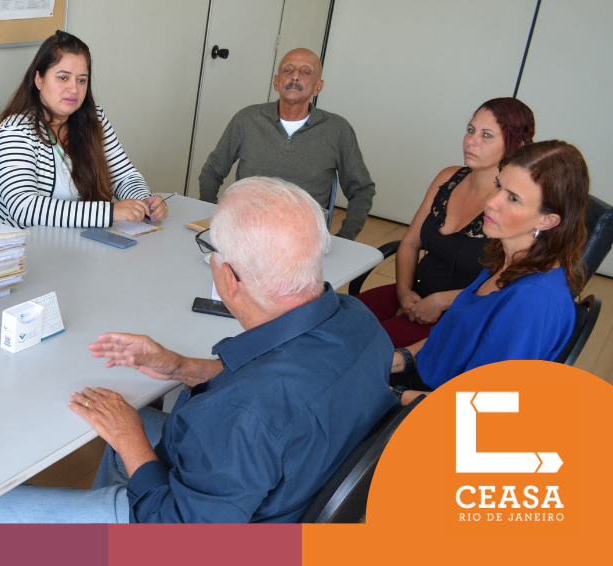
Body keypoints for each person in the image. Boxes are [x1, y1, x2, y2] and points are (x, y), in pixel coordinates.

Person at [0, 177, 398, 523]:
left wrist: (131, 441)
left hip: (198, 526)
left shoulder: (242, 417)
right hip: (284, 481)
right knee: (127, 421)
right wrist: (183, 367)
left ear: (229, 278)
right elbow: (274, 384)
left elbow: (181, 535)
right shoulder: (356, 318)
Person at [389, 141, 586, 405]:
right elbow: (451, 336)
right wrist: (398, 360)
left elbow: (486, 404)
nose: (491, 202)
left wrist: (391, 396)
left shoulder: (534, 300)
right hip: (425, 385)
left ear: (546, 220)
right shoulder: (505, 258)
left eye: (513, 198)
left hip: (441, 416)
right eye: (498, 185)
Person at [357, 98, 536, 347]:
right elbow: (409, 242)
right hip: (413, 292)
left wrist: (442, 301)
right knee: (335, 318)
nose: (471, 141)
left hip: (457, 314)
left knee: (361, 346)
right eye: (471, 130)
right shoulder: (449, 177)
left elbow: (508, 283)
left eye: (487, 135)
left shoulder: (515, 204)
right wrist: (404, 291)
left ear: (518, 145)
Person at [0, 31, 168, 229]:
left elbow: (123, 176)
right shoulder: (15, 131)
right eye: (63, 78)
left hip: (73, 244)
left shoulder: (95, 120)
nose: (74, 89)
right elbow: (24, 207)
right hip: (14, 251)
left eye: (81, 80)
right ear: (39, 79)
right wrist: (109, 212)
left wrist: (144, 203)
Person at [196, 48, 375, 240]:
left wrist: (346, 236)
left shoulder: (337, 130)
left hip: (301, 239)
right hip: (244, 231)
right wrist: (215, 216)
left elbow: (362, 190)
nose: (295, 77)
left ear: (318, 87)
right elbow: (212, 172)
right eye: (288, 70)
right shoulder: (247, 119)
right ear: (276, 82)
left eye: (306, 72)